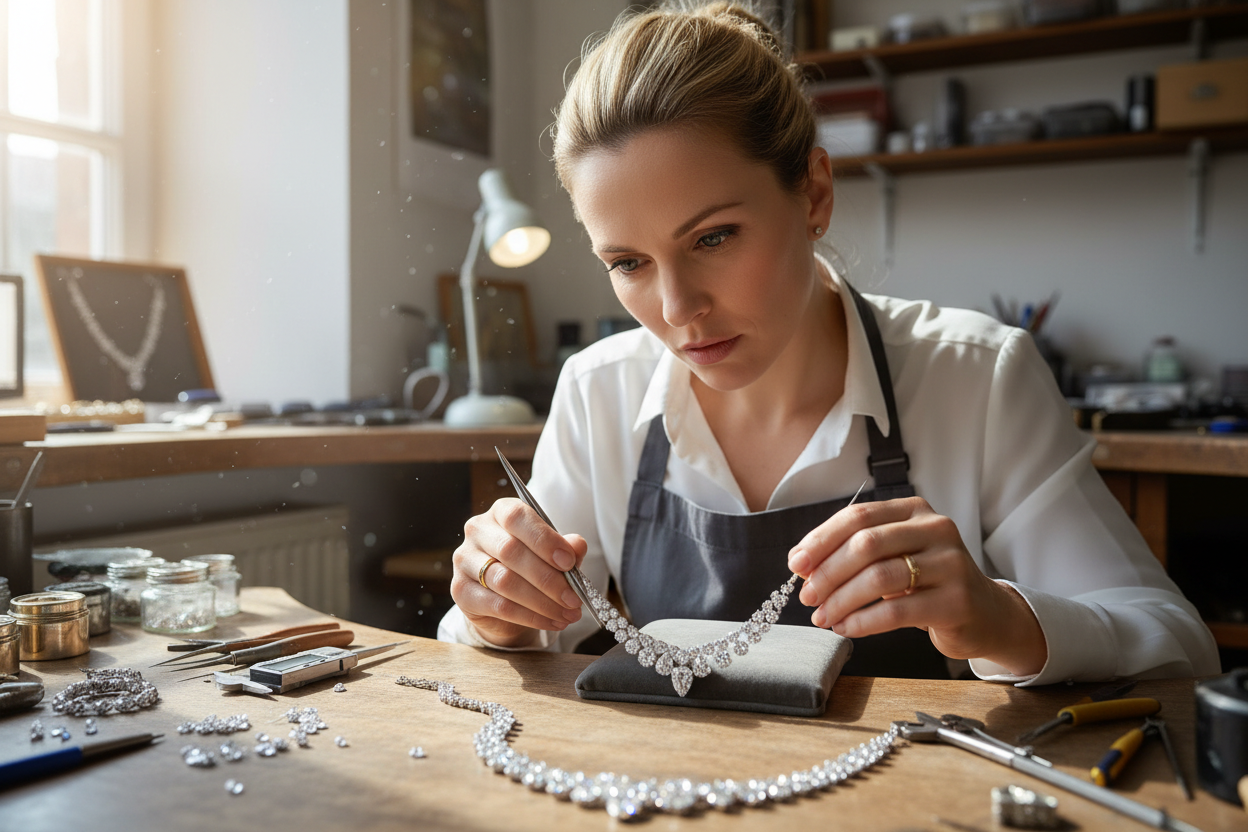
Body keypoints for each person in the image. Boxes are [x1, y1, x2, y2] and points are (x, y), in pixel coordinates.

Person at [438, 1, 1219, 683]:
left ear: (813, 193)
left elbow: (1179, 644)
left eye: (714, 238)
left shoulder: (977, 379)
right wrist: (497, 611)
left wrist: (1003, 619)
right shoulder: (597, 390)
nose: (678, 309)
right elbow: (534, 638)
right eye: (629, 263)